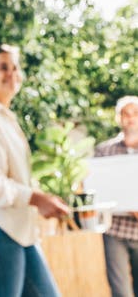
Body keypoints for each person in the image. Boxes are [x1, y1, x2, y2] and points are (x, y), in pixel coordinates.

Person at [0, 44, 70, 297]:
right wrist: (36, 198)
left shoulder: (5, 118)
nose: (12, 73)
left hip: (19, 232)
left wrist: (43, 200)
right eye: (3, 67)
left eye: (15, 67)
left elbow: (14, 178)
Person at [95, 96, 138, 297]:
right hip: (116, 230)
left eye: (135, 114)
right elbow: (97, 189)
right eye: (125, 114)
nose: (130, 119)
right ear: (118, 118)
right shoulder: (104, 151)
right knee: (121, 292)